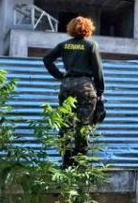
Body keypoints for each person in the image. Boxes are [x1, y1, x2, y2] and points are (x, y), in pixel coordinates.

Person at [42, 16, 104, 168]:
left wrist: (60, 76)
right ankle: (80, 165)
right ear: (88, 29)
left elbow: (47, 59)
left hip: (66, 86)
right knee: (83, 125)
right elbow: (97, 70)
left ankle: (66, 164)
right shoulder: (91, 45)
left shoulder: (64, 45)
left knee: (66, 124)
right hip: (85, 86)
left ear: (70, 28)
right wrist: (100, 90)